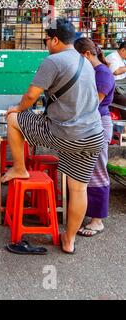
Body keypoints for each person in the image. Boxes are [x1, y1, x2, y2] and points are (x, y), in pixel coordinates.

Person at [1, 17, 104, 254]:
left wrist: (18, 108)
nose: (46, 43)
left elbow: (30, 95)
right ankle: (68, 240)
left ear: (55, 39)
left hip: (64, 133)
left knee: (13, 120)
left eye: (47, 39)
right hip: (93, 134)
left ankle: (19, 167)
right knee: (79, 189)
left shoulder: (53, 61)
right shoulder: (85, 61)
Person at [74, 38, 115, 237]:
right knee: (83, 173)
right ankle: (82, 214)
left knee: (97, 172)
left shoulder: (103, 74)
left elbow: (91, 104)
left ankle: (97, 220)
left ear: (85, 55)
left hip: (98, 125)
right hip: (86, 126)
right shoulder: (90, 72)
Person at [105, 41, 126, 107]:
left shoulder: (122, 58)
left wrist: (122, 68)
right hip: (116, 84)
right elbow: (116, 71)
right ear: (123, 50)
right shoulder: (113, 57)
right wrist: (122, 68)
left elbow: (122, 68)